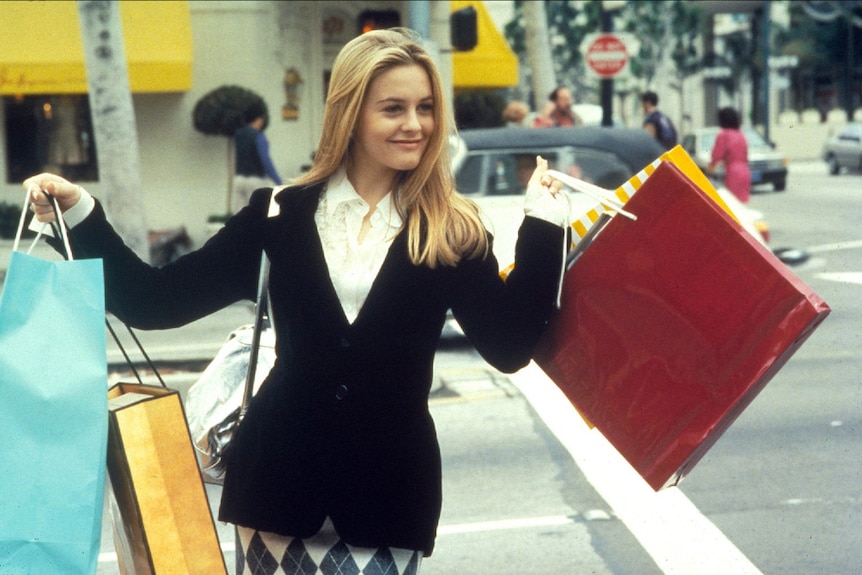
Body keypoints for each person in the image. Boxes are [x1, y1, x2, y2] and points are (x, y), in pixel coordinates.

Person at [25, 28, 569, 575]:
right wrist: (79, 215)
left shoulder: (451, 230)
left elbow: (509, 346)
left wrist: (543, 228)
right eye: (394, 108)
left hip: (388, 495)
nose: (415, 125)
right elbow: (154, 302)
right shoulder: (277, 215)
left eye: (426, 108)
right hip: (276, 486)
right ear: (351, 114)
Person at [233, 101, 282, 213]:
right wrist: (278, 181)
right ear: (258, 118)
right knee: (258, 214)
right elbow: (265, 161)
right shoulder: (258, 136)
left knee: (240, 217)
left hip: (239, 178)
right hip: (255, 179)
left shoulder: (238, 134)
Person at [708, 107, 751, 203]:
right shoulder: (740, 134)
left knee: (731, 205)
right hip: (745, 171)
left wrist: (710, 166)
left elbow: (716, 156)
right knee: (741, 205)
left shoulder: (723, 135)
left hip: (732, 172)